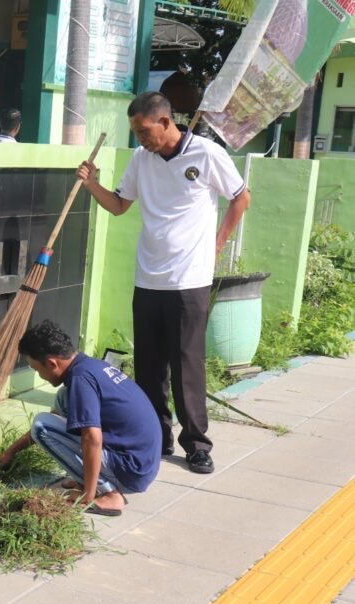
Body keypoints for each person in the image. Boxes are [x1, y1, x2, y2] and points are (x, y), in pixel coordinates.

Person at [76, 91, 251, 474]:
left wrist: (217, 244)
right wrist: (91, 185)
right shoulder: (142, 160)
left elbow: (241, 198)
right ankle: (157, 435)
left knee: (187, 363)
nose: (140, 138)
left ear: (166, 122)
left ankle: (197, 444)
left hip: (189, 280)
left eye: (143, 131)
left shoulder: (205, 154)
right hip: (148, 278)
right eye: (136, 132)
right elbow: (120, 205)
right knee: (149, 366)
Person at [0, 321, 161, 516]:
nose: (40, 377)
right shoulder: (88, 366)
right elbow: (56, 417)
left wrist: (88, 495)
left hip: (131, 470)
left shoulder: (81, 379)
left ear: (51, 363)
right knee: (62, 399)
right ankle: (86, 480)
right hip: (141, 462)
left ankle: (109, 494)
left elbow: (92, 438)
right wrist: (11, 452)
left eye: (37, 370)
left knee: (41, 427)